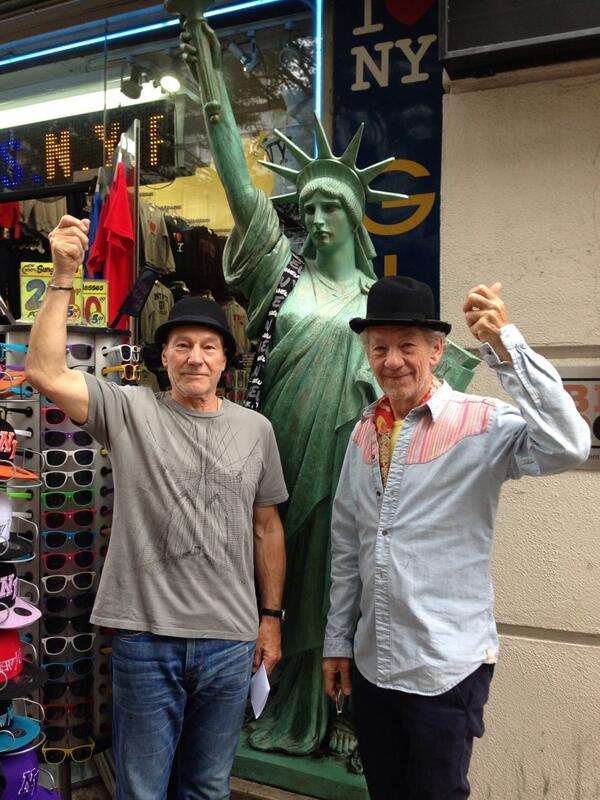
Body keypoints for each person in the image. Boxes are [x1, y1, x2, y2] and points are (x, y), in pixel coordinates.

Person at [173, 9, 411, 756]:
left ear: (356, 215)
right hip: (281, 446)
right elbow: (240, 187)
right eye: (308, 207)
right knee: (278, 569)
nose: (317, 216)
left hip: (350, 457)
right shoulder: (283, 272)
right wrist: (212, 89)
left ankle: (338, 711)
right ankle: (276, 703)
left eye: (330, 205)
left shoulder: (378, 302)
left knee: (345, 570)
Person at [25, 215, 288, 800]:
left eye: (209, 346)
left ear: (225, 360)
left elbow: (267, 527)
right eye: (182, 345)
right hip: (146, 639)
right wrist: (63, 275)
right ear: (162, 356)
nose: (196, 358)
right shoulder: (130, 410)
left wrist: (271, 618)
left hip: (230, 640)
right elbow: (44, 371)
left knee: (208, 788)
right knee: (142, 790)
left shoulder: (257, 430)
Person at [322, 276, 591, 800]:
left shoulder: (481, 423)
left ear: (437, 350)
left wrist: (505, 344)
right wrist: (337, 643)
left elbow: (569, 445)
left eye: (407, 345)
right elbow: (347, 546)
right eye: (379, 348)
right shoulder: (364, 432)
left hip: (445, 670)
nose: (392, 361)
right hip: (373, 666)